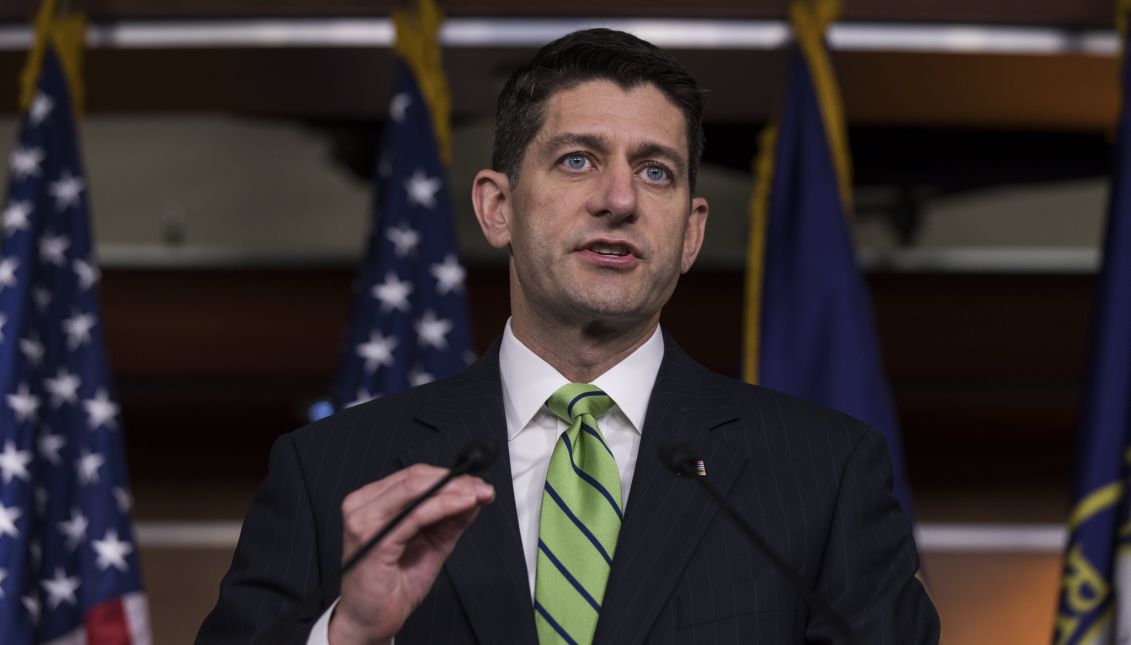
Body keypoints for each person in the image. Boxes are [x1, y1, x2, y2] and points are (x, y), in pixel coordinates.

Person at [197, 28, 939, 645]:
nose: (618, 199)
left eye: (655, 172)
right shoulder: (328, 470)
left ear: (690, 231)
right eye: (577, 159)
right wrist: (347, 634)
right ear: (496, 208)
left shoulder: (824, 471)